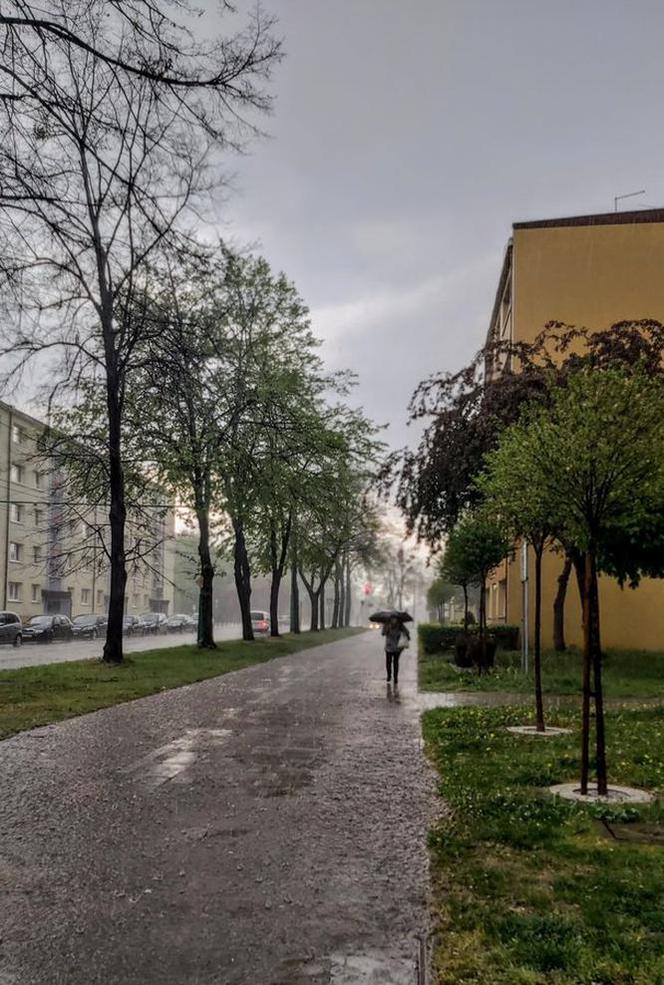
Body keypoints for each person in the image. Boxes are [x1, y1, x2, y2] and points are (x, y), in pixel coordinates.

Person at [382, 615, 409, 685]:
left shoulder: (400, 626)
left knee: (396, 662)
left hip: (398, 648)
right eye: (392, 619)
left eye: (395, 619)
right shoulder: (387, 625)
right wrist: (386, 629)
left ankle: (395, 677)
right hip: (388, 647)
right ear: (390, 619)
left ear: (397, 619)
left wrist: (404, 633)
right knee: (388, 662)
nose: (394, 620)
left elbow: (407, 632)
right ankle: (389, 675)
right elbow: (383, 633)